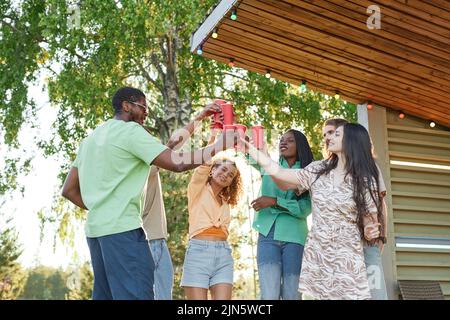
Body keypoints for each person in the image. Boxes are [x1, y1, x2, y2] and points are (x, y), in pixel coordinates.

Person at [61, 87, 236, 300]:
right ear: (126, 106)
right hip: (124, 232)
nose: (146, 113)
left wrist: (199, 118)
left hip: (96, 234)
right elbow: (176, 162)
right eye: (143, 107)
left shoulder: (90, 139)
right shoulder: (131, 132)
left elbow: (69, 190)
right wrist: (219, 145)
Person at [242, 123, 383, 300]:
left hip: (348, 253)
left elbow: (370, 221)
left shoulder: (365, 179)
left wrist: (371, 231)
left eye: (337, 134)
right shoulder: (317, 170)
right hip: (319, 252)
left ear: (351, 141)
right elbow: (280, 174)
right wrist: (251, 149)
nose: (329, 138)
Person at [141, 104, 222, 300]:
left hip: (158, 241)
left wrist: (207, 129)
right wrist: (201, 118)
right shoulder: (143, 166)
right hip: (147, 242)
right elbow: (174, 147)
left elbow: (173, 145)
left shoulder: (148, 163)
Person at [322, 118, 388, 300]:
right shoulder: (326, 170)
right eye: (325, 134)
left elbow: (380, 204)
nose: (328, 138)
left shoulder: (369, 166)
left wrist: (382, 237)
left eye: (333, 133)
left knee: (376, 293)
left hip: (367, 244)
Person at [247, 129, 313, 300]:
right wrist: (249, 143)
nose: (283, 143)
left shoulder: (309, 173)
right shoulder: (269, 166)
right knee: (269, 295)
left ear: (300, 145)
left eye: (290, 140)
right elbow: (252, 156)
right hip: (267, 235)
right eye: (282, 140)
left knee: (292, 294)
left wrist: (275, 201)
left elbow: (305, 208)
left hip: (295, 238)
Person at [181, 130, 243, 300]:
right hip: (199, 252)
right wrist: (214, 138)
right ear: (213, 169)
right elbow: (203, 164)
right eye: (223, 170)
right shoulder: (197, 189)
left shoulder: (225, 200)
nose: (226, 175)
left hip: (223, 254)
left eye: (230, 175)